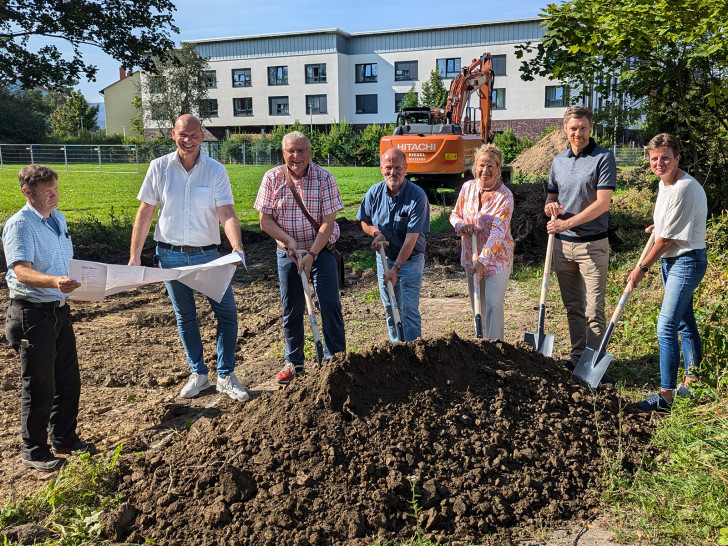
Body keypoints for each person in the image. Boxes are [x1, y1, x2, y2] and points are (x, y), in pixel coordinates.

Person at [129, 114, 248, 401]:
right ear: (173, 135)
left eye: (194, 134)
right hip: (169, 255)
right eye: (183, 134)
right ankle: (199, 373)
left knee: (227, 314)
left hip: (207, 256)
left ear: (203, 136)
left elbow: (226, 212)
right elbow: (145, 212)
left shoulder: (216, 171)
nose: (188, 140)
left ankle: (225, 374)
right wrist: (134, 256)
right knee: (185, 316)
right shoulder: (159, 168)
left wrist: (237, 245)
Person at [2, 165, 95, 472]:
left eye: (56, 189)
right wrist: (56, 282)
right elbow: (21, 271)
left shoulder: (58, 219)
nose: (54, 196)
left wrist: (74, 288)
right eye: (47, 192)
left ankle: (64, 438)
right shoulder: (20, 225)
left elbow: (65, 262)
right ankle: (34, 450)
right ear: (27, 192)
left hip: (58, 310)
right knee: (40, 384)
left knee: (69, 380)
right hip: (32, 314)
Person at [254, 131, 346, 383]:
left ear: (310, 152)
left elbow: (328, 223)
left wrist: (312, 254)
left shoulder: (324, 178)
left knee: (329, 304)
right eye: (290, 151)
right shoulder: (272, 178)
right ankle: (294, 363)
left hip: (322, 249)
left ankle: (336, 360)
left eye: (301, 150)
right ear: (283, 153)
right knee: (291, 308)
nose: (296, 156)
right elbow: (265, 221)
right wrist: (290, 242)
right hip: (288, 253)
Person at [627, 134, 707, 412]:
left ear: (677, 158)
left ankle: (666, 397)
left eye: (665, 158)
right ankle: (694, 383)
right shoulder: (665, 184)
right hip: (673, 260)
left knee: (666, 326)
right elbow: (667, 225)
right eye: (654, 158)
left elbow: (667, 240)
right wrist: (658, 225)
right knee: (685, 323)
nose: (659, 163)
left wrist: (640, 268)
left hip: (687, 261)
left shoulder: (685, 187)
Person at [545, 106, 616, 367]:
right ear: (565, 130)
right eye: (573, 128)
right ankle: (577, 358)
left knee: (593, 310)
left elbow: (602, 204)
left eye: (583, 128)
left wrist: (568, 223)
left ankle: (594, 363)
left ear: (590, 128)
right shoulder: (558, 161)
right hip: (562, 248)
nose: (578, 133)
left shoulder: (603, 158)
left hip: (592, 245)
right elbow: (552, 197)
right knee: (573, 307)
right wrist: (550, 208)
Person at [357, 147, 430, 342]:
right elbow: (364, 220)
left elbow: (411, 238)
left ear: (406, 168)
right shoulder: (374, 192)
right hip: (385, 258)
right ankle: (397, 348)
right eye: (388, 167)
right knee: (390, 307)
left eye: (398, 167)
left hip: (411, 260)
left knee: (408, 309)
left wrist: (396, 268)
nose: (393, 172)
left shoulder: (417, 196)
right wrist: (376, 233)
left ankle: (415, 352)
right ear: (381, 168)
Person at [450, 144, 514, 340]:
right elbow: (455, 215)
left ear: (498, 168)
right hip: (471, 256)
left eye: (491, 166)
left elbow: (498, 233)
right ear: (474, 167)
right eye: (481, 165)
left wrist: (483, 262)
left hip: (497, 259)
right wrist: (462, 226)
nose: (485, 171)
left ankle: (497, 347)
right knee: (478, 306)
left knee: (493, 304)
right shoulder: (467, 188)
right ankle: (482, 347)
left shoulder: (505, 197)